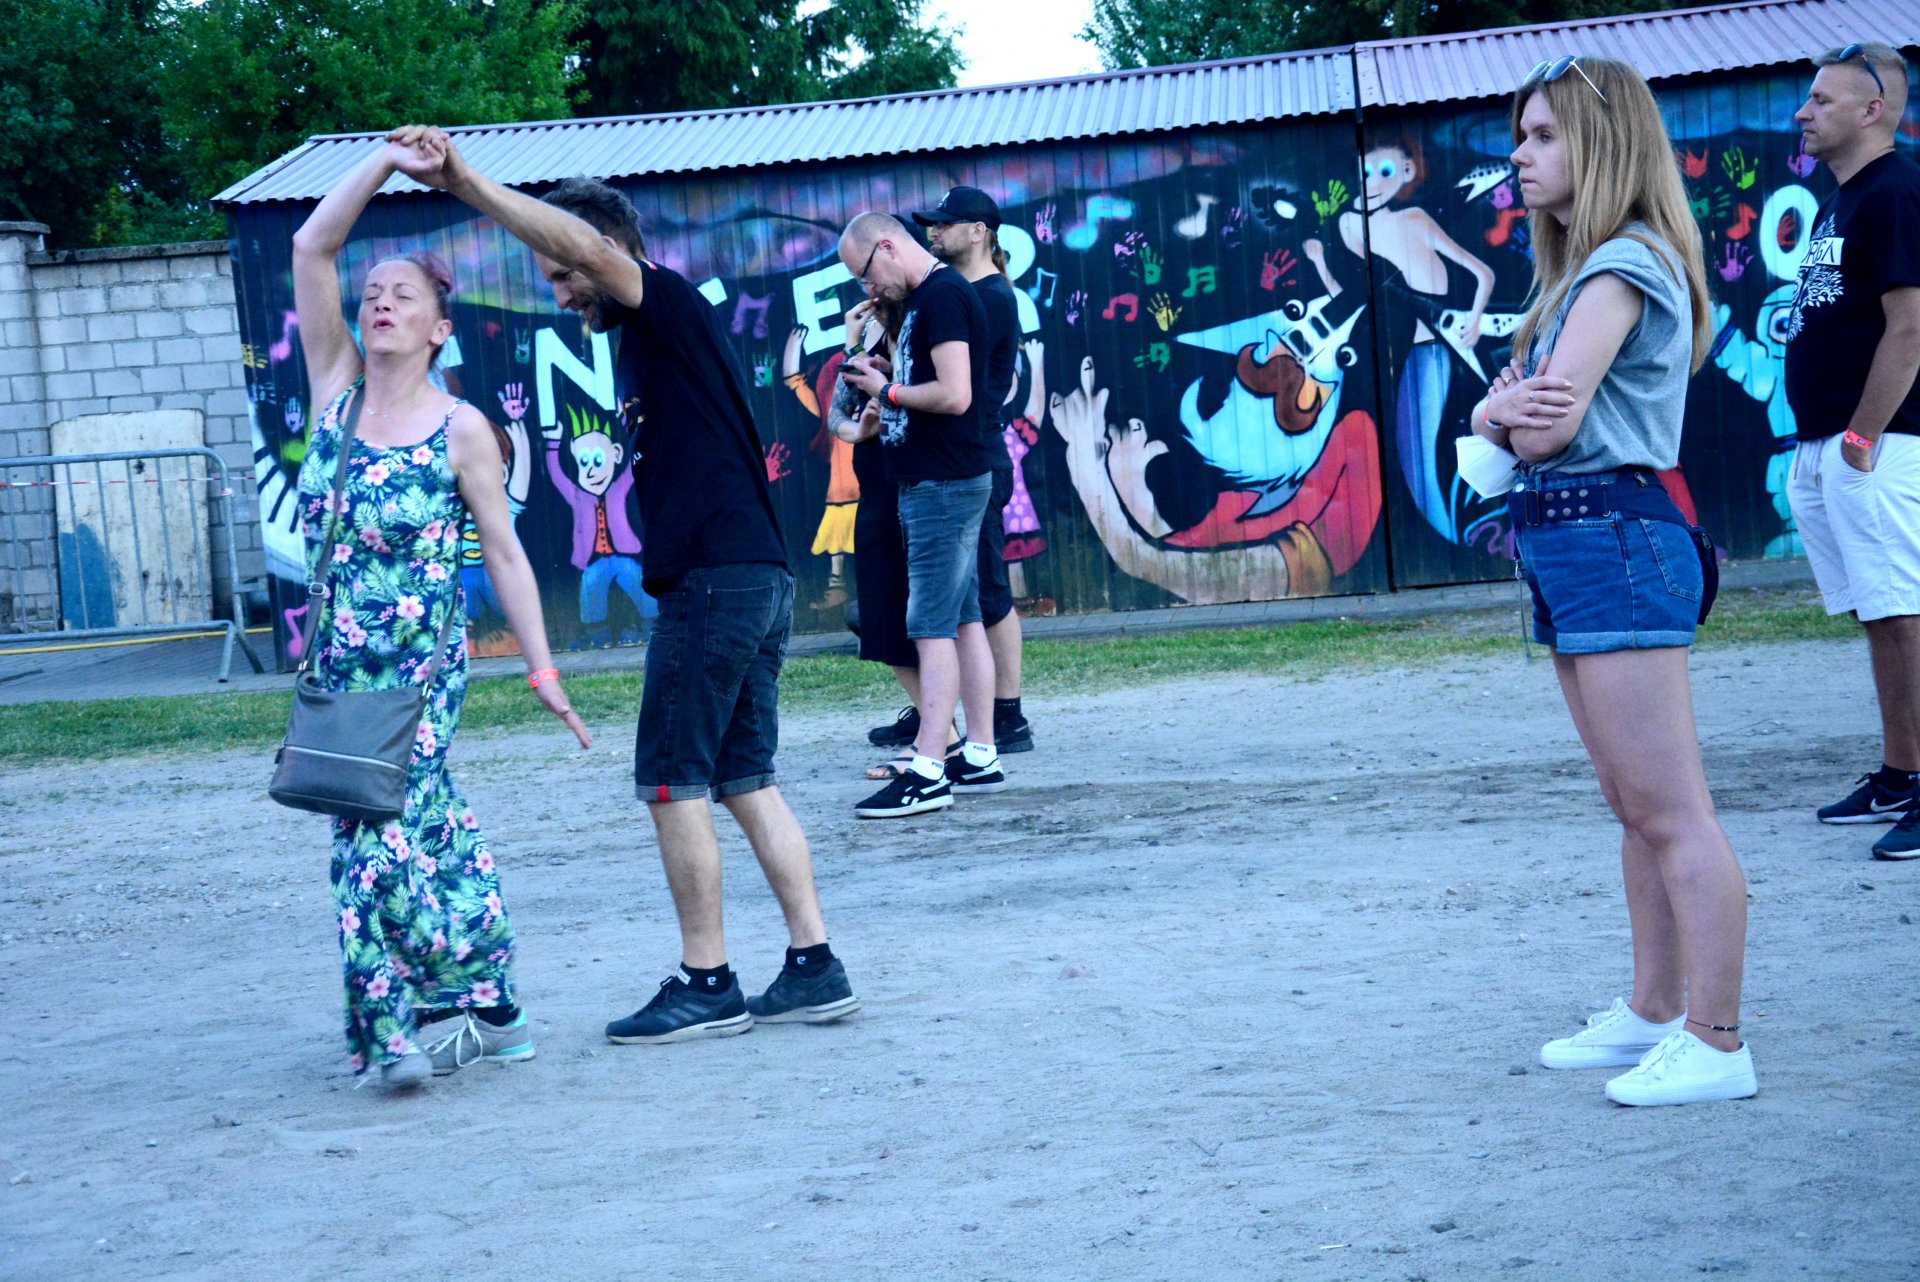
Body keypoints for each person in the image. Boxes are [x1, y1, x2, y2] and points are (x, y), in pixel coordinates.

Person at [387, 126, 858, 1041]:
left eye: (564, 275)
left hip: (715, 580)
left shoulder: (659, 298)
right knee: (744, 779)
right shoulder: (657, 330)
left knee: (671, 783)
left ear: (604, 250)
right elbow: (583, 256)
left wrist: (465, 182)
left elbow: (588, 250)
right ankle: (815, 964)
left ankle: (706, 982)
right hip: (752, 575)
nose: (562, 294)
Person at [1469, 56, 1756, 1106]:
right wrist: (1508, 406)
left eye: (1544, 135)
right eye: (1521, 135)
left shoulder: (1623, 263)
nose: (1521, 155)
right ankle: (1653, 1010)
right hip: (1578, 539)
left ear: (1604, 143)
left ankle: (1717, 1042)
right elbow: (1528, 412)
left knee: (1672, 810)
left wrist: (1499, 412)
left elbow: (1543, 425)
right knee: (1634, 805)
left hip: (1611, 535)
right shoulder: (1587, 272)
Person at [290, 137, 590, 1089]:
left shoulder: (462, 429)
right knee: (431, 830)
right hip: (338, 674)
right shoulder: (333, 393)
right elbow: (310, 246)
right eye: (373, 294)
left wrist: (542, 669)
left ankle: (392, 1028)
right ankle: (493, 1002)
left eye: (404, 296)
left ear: (438, 330)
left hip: (421, 674)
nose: (381, 303)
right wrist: (383, 162)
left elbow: (504, 553)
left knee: (369, 833)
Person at [1783, 42, 1920, 861]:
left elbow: (1911, 329)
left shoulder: (1897, 191)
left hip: (1882, 444)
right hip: (1832, 442)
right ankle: (1902, 774)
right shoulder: (1843, 199)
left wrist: (1862, 439)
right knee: (1879, 613)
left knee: (1906, 612)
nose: (1803, 111)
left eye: (1822, 100)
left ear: (1873, 111)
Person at [837, 211, 1004, 817]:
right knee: (963, 619)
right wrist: (890, 373)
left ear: (886, 246)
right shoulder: (931, 298)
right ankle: (979, 754)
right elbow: (937, 382)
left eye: (866, 274)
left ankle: (929, 770)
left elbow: (955, 395)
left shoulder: (940, 297)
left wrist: (886, 391)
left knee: (930, 625)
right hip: (943, 478)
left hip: (942, 483)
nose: (868, 288)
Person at [916, 185, 1036, 755]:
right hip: (966, 454)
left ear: (978, 231)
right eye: (933, 224)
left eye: (945, 223)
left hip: (978, 455)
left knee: (987, 589)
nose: (934, 232)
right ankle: (949, 711)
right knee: (966, 593)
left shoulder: (989, 297)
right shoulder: (965, 292)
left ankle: (1007, 717)